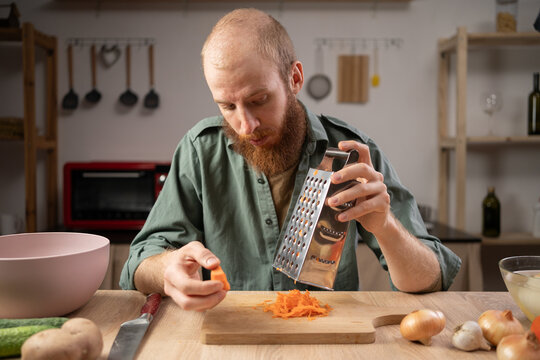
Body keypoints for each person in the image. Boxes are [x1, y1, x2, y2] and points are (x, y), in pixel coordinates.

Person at [120, 8, 461, 311]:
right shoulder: (200, 151)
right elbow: (137, 264)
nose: (245, 125)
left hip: (329, 340)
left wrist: (386, 227)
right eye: (227, 106)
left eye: (259, 99)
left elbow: (433, 279)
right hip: (234, 338)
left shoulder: (351, 153)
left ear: (294, 79)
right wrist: (168, 270)